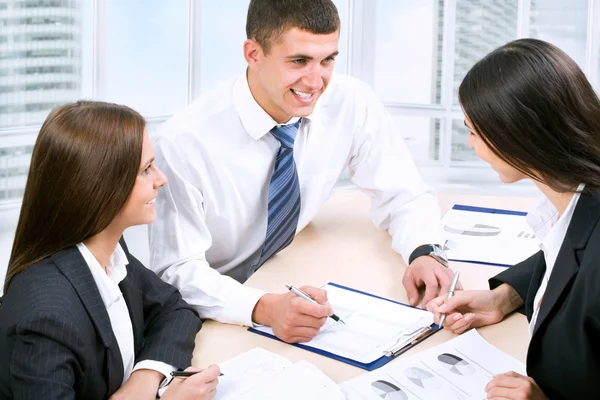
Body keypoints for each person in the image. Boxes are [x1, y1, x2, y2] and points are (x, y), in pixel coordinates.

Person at [149, 0, 454, 345]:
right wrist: (263, 307)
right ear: (253, 54)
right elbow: (177, 270)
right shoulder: (184, 142)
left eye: (328, 60)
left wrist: (424, 250)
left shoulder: (350, 102)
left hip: (288, 274)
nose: (316, 81)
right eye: (299, 61)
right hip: (217, 307)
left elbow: (402, 192)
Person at [0, 101, 220, 400]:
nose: (161, 179)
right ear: (100, 185)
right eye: (146, 170)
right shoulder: (47, 319)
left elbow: (174, 309)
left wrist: (145, 379)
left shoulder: (110, 252)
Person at [426, 38, 600, 399]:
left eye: (474, 131)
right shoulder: (576, 205)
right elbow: (567, 253)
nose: (472, 146)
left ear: (517, 133)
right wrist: (506, 296)